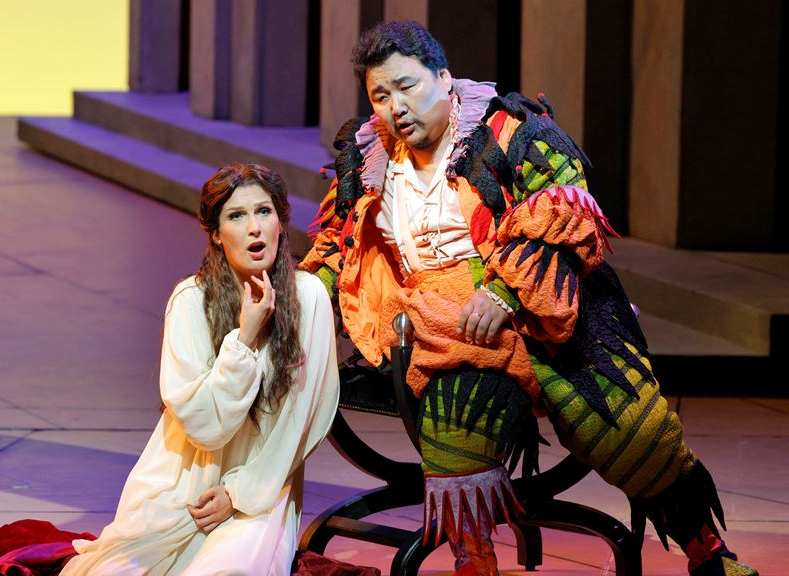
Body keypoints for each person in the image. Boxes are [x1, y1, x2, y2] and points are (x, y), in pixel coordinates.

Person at [301, 20, 757, 576]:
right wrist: (306, 299)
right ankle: (474, 560)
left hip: (537, 310)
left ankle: (706, 550)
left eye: (407, 86)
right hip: (438, 325)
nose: (396, 107)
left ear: (443, 79)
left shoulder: (509, 131)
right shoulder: (368, 157)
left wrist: (505, 291)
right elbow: (337, 243)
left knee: (622, 420)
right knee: (456, 416)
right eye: (380, 95)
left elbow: (565, 205)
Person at [61, 163, 340, 575]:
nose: (254, 228)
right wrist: (245, 338)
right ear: (216, 234)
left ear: (281, 222)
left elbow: (299, 425)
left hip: (259, 494)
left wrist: (237, 493)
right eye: (236, 216)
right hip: (183, 483)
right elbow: (205, 427)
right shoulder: (190, 300)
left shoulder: (308, 297)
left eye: (264, 212)